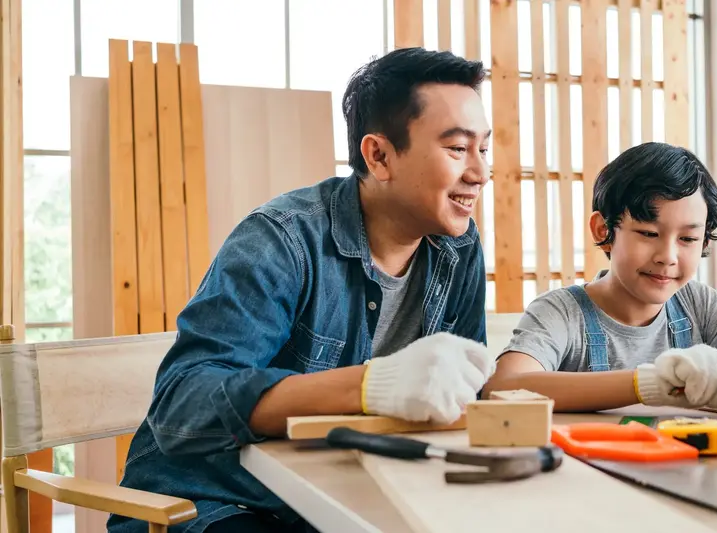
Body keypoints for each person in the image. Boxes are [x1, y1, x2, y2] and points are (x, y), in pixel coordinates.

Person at [107, 47, 496, 533]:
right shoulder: (281, 238)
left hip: (347, 494)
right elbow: (183, 405)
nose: (480, 173)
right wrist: (372, 386)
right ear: (378, 155)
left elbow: (463, 394)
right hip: (209, 502)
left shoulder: (458, 249)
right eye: (458, 149)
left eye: (484, 148)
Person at [481, 142, 717, 412]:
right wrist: (650, 383)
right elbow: (504, 387)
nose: (668, 257)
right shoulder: (561, 312)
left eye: (688, 239)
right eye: (648, 233)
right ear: (603, 230)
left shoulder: (697, 303)